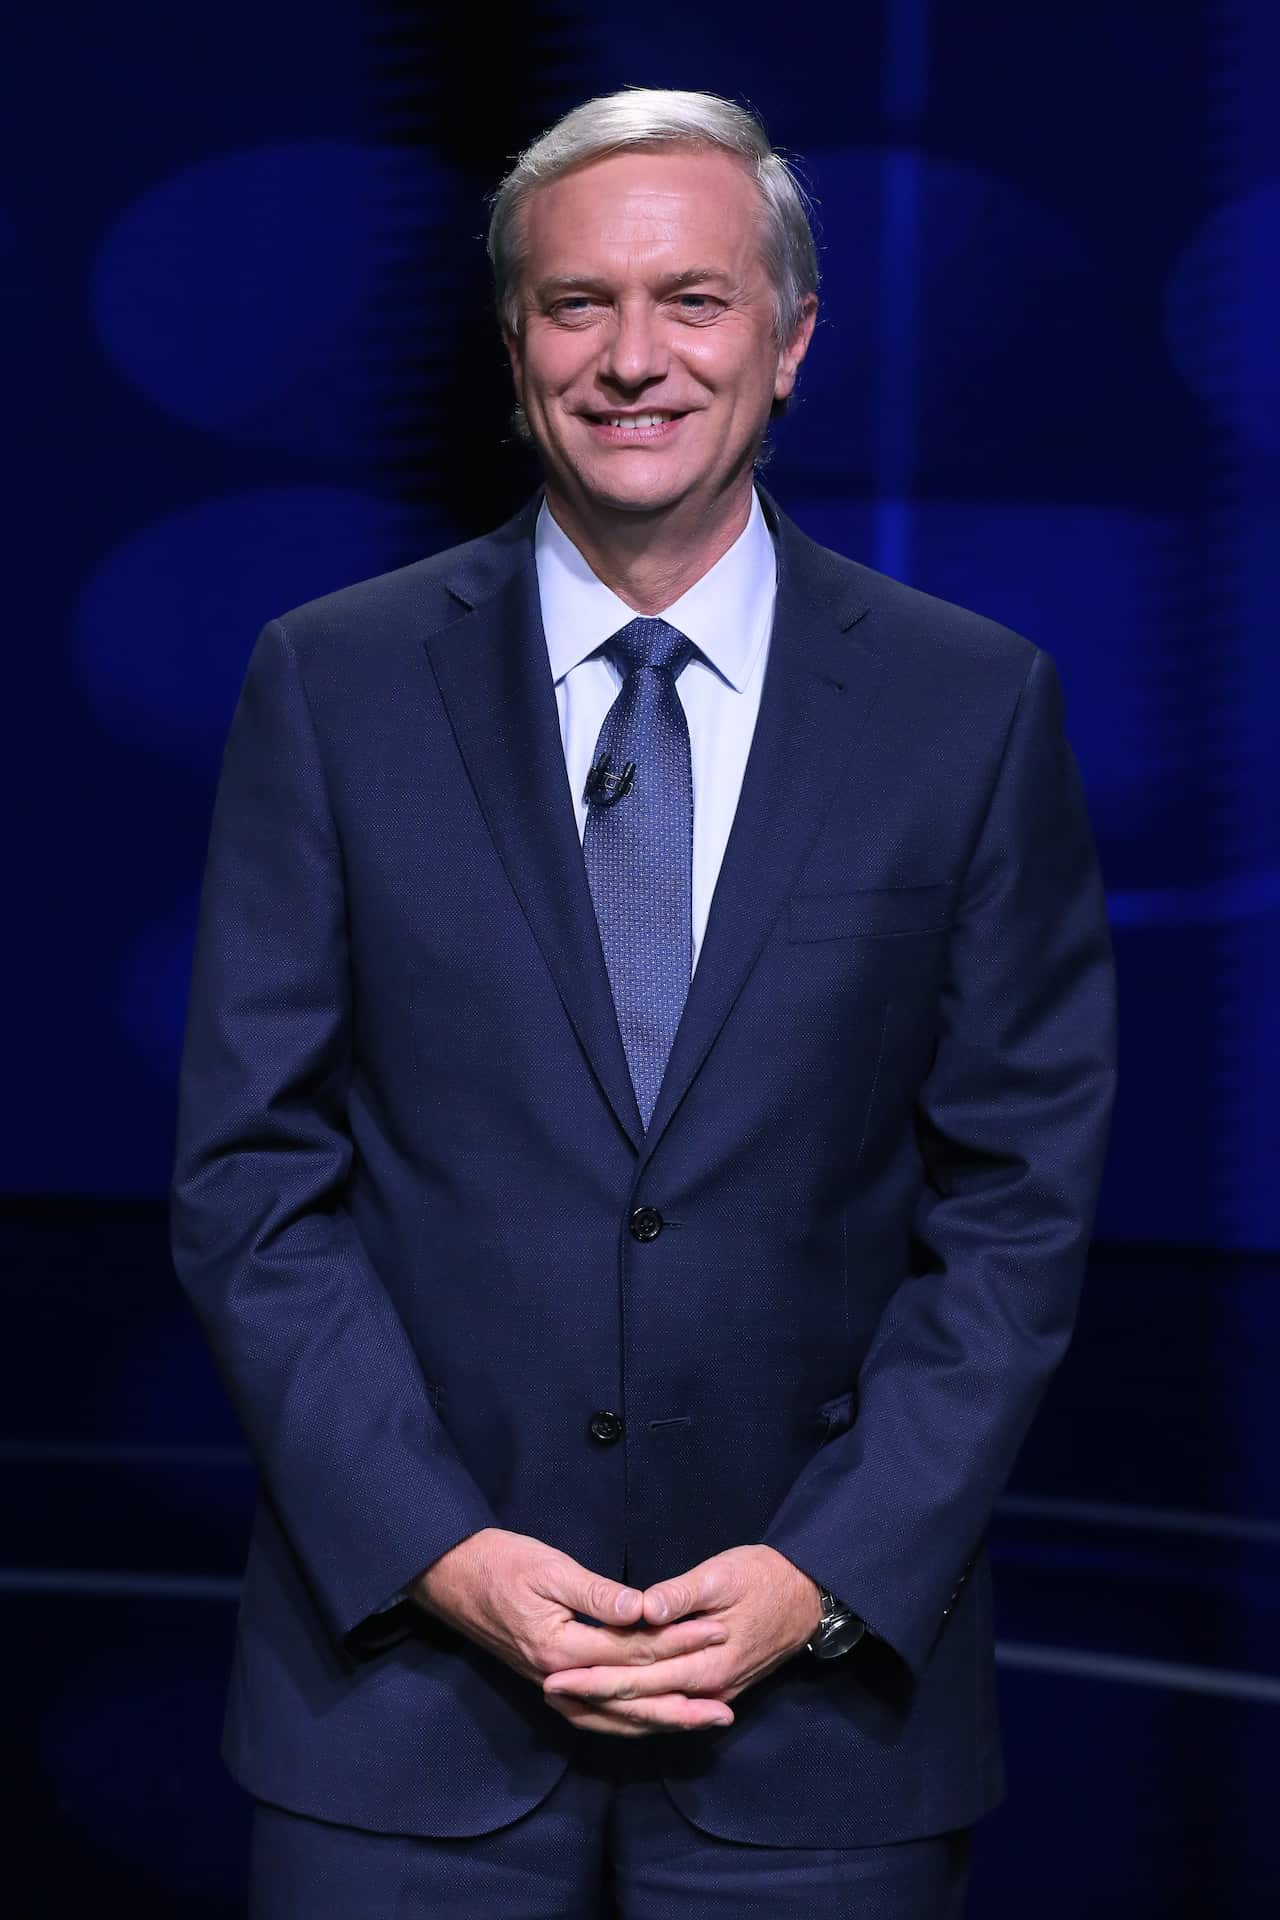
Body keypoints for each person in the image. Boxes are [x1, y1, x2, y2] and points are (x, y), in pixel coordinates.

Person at [171, 86, 1117, 1918]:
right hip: (397, 1704)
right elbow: (249, 1180)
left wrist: (825, 1573)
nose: (631, 359)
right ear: (515, 349)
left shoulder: (970, 706)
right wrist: (437, 1548)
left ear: (789, 342)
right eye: (573, 306)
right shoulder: (332, 683)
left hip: (826, 1726)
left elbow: (1019, 1203)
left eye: (690, 300)